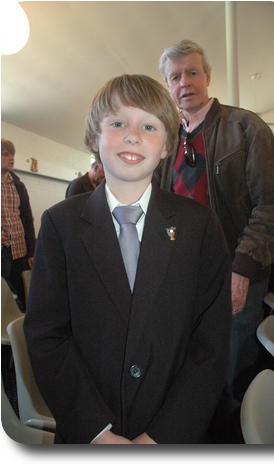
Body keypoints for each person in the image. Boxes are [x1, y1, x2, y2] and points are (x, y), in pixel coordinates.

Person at [24, 74, 232, 444]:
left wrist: (162, 437)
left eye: (149, 126)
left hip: (174, 432)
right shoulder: (60, 225)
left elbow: (210, 344)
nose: (133, 135)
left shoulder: (199, 225)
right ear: (94, 138)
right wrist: (97, 433)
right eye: (118, 123)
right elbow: (47, 336)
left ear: (167, 145)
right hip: (90, 433)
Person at [156, 39, 274, 412]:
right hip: (185, 273)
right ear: (167, 86)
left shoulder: (246, 127)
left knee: (235, 362)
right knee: (193, 358)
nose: (184, 82)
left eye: (192, 72)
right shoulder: (164, 143)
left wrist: (243, 269)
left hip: (239, 273)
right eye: (174, 77)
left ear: (208, 77)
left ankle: (235, 431)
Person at [1, 138, 36, 310]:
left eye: (12, 154)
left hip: (19, 249)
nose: (11, 158)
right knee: (4, 295)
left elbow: (28, 219)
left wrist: (32, 251)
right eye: (6, 154)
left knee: (24, 292)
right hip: (2, 251)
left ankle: (23, 326)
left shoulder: (18, 185)